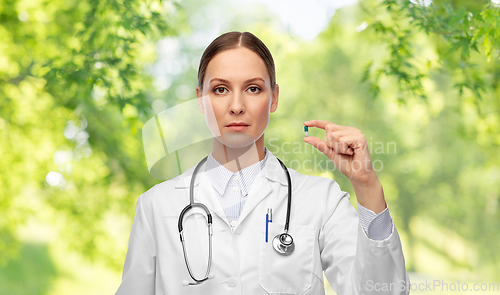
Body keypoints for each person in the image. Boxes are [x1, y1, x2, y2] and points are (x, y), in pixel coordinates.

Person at [115, 31, 410, 295]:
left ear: (274, 98)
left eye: (253, 88)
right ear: (200, 101)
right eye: (220, 89)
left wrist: (367, 186)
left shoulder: (321, 201)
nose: (236, 105)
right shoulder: (157, 206)